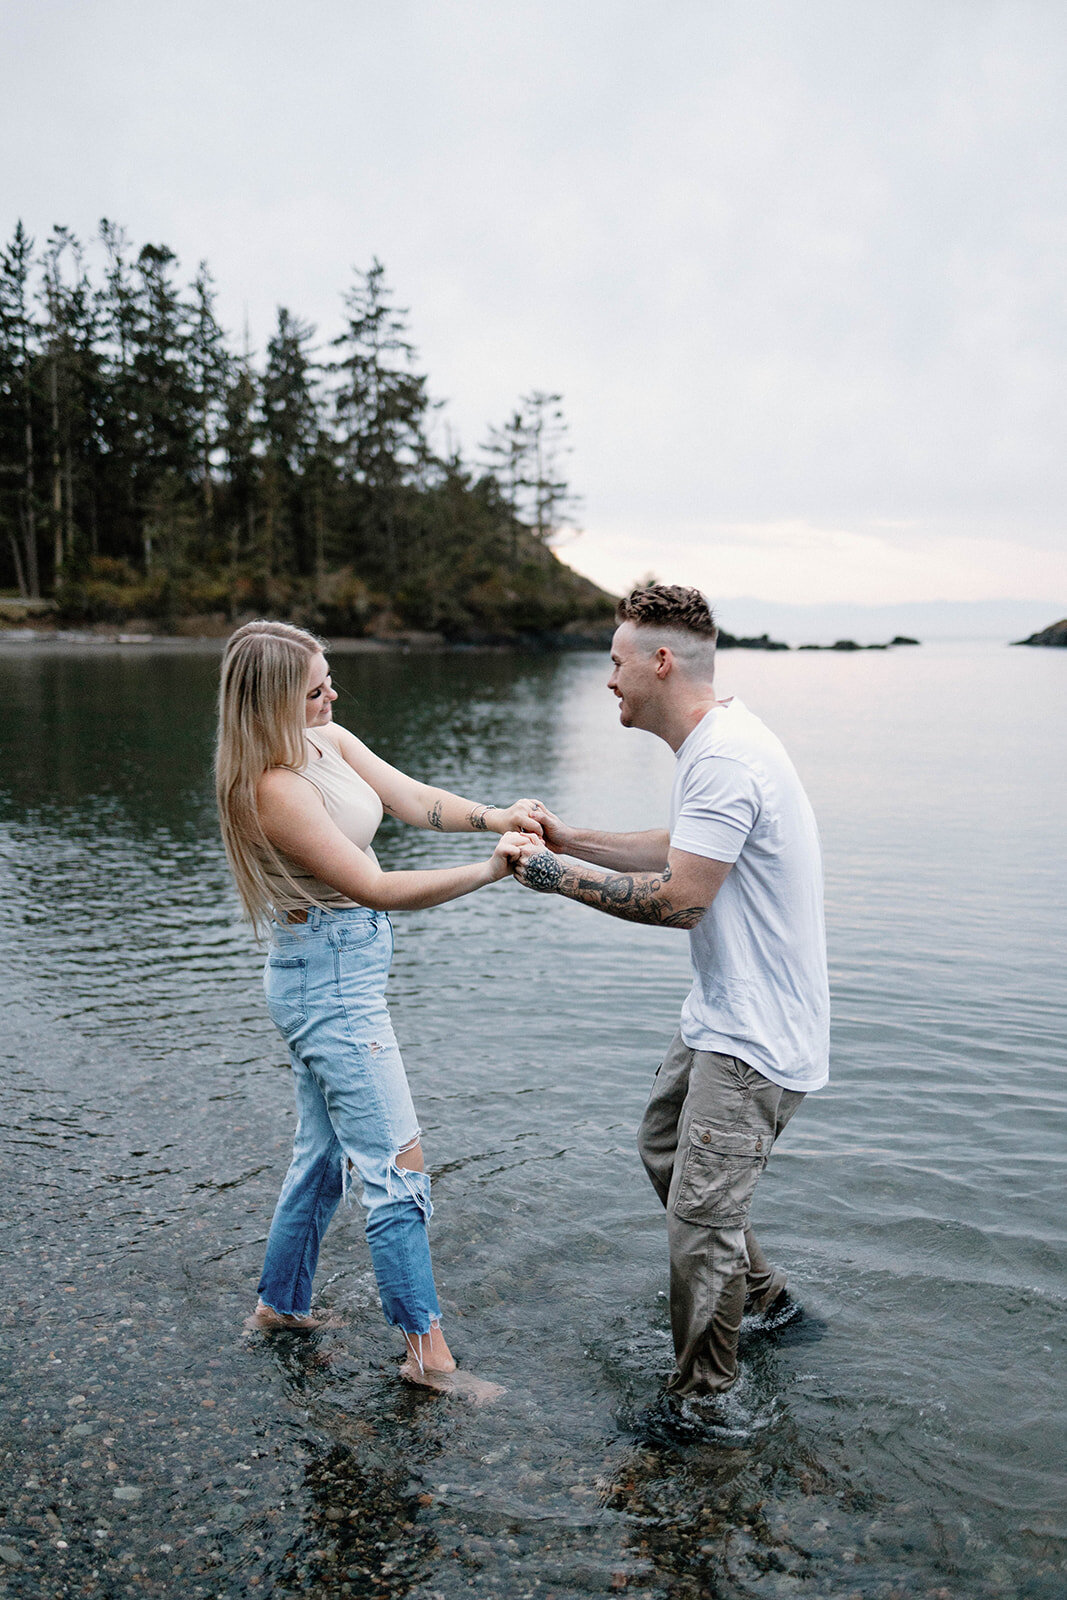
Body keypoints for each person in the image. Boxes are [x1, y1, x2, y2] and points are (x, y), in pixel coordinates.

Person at [513, 585, 829, 1398]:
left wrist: (556, 875)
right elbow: (683, 845)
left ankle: (704, 1404)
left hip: (754, 1040)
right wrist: (570, 835)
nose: (608, 680)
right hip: (721, 1018)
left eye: (616, 663)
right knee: (663, 1150)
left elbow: (683, 898)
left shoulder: (724, 755)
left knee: (699, 1228)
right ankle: (768, 1302)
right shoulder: (714, 741)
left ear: (660, 662)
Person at [215, 619, 537, 1398]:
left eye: (329, 680)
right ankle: (427, 1357)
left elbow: (414, 801)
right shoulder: (272, 789)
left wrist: (495, 817)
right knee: (396, 1165)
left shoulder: (328, 742)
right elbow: (376, 889)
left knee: (323, 1156)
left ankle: (279, 1308)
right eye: (314, 689)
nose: (332, 695)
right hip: (326, 985)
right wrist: (491, 871)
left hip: (339, 974)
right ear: (268, 705)